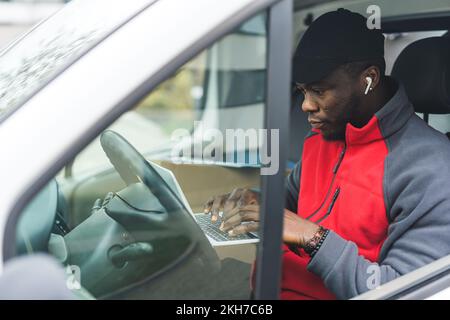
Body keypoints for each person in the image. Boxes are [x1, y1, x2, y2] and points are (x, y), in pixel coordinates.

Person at [204, 8, 450, 300]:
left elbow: (401, 292)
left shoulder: (432, 169)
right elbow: (290, 203)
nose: (306, 105)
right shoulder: (323, 138)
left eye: (319, 91)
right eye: (302, 91)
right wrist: (254, 201)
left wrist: (314, 239)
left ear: (368, 79)